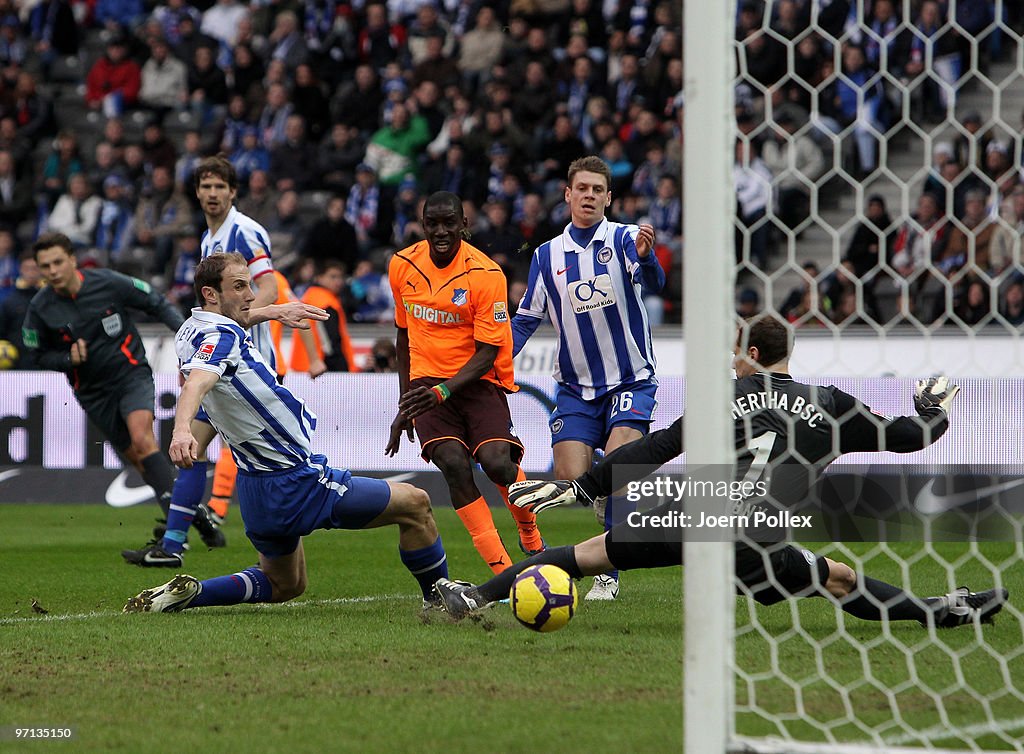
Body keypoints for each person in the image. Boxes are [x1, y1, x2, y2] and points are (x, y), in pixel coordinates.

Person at [435, 315, 1009, 629]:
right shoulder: (832, 404)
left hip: (690, 510)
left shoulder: (723, 395)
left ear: (751, 355)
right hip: (756, 540)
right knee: (840, 580)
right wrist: (936, 408)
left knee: (584, 557)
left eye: (737, 354)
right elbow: (910, 438)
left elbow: (656, 448)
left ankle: (475, 598)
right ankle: (944, 612)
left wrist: (581, 484)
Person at [123, 253, 449, 613]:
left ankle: (194, 594)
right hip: (292, 479)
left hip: (255, 488)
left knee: (285, 584)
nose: (251, 294)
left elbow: (228, 332)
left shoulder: (192, 329)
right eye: (239, 286)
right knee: (415, 504)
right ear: (210, 294)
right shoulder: (221, 340)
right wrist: (181, 429)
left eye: (249, 283)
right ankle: (440, 601)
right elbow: (197, 382)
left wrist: (274, 312)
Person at [123, 155, 324, 567]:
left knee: (222, 450)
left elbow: (267, 286)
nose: (212, 194)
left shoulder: (245, 231)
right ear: (196, 193)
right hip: (221, 361)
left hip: (246, 364)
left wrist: (251, 319)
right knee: (197, 449)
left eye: (220, 187)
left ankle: (191, 535)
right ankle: (182, 537)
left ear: (233, 192)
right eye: (205, 187)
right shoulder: (208, 239)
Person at [510, 156, 664, 600]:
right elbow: (525, 322)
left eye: (598, 190)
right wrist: (495, 365)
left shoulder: (625, 239)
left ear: (608, 198)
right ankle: (604, 500)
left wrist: (648, 260)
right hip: (576, 387)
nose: (590, 196)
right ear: (568, 194)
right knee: (571, 480)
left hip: (630, 380)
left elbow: (655, 283)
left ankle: (608, 575)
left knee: (616, 472)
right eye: (583, 189)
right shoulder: (546, 256)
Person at [386, 191, 544, 574]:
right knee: (454, 466)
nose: (441, 231)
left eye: (449, 222)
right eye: (433, 223)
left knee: (497, 465)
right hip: (425, 385)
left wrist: (442, 391)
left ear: (464, 224)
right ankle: (504, 571)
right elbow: (403, 338)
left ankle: (530, 533)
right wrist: (405, 404)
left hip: (476, 381)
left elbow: (488, 352)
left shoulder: (487, 275)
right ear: (423, 225)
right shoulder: (402, 265)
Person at [21, 233, 183, 547]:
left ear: (72, 259)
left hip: (131, 375)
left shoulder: (107, 282)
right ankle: (191, 514)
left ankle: (177, 526)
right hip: (93, 393)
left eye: (57, 262)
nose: (52, 270)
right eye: (45, 266)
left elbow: (155, 301)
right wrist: (68, 359)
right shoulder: (40, 308)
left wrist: (187, 335)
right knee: (137, 459)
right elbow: (35, 354)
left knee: (142, 437)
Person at [202, 268, 326, 526]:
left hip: (262, 369)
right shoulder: (225, 284)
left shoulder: (273, 281)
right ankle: (193, 514)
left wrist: (314, 359)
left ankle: (214, 507)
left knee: (238, 440)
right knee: (221, 439)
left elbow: (300, 313)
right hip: (228, 366)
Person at [291, 260, 358, 373]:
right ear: (319, 278)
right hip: (322, 370)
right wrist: (342, 369)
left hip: (304, 367)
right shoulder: (326, 302)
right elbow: (330, 344)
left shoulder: (309, 296)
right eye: (333, 277)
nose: (338, 281)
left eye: (340, 277)